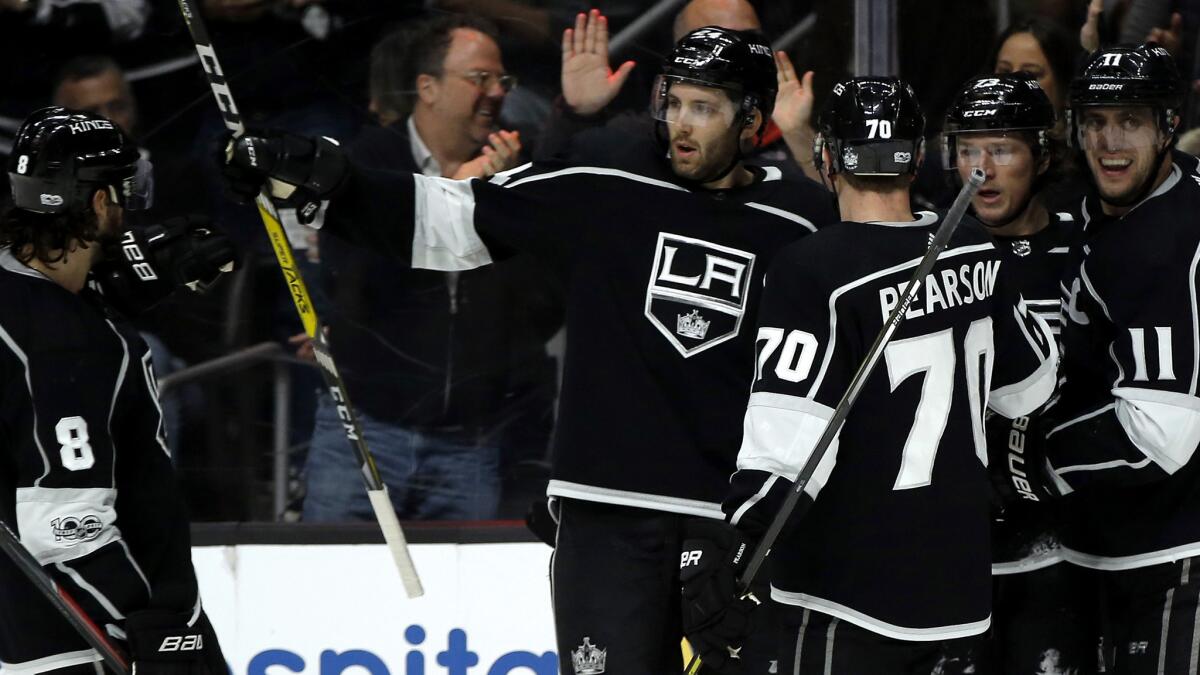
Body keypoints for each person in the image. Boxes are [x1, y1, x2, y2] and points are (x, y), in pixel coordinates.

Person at [219, 23, 836, 675]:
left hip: (728, 524)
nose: (681, 124)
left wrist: (763, 523)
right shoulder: (604, 183)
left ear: (751, 121)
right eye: (673, 102)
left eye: (704, 109)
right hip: (605, 521)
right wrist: (329, 181)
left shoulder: (798, 220)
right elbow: (448, 218)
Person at [682, 77, 1058, 673]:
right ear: (921, 157)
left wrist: (725, 549)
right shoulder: (971, 247)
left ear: (826, 158)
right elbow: (1032, 385)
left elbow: (787, 457)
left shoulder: (813, 270)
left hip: (847, 599)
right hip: (958, 594)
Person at [0, 107, 235, 673]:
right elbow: (65, 530)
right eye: (125, 189)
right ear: (100, 203)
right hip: (74, 645)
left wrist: (119, 285)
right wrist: (153, 625)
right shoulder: (71, 348)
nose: (132, 204)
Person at [303, 14, 561, 523]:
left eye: (501, 80)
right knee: (335, 581)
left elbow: (544, 305)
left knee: (459, 599)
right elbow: (354, 283)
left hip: (471, 443)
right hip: (364, 433)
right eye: (478, 78)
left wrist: (496, 206)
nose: (495, 92)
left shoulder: (518, 172)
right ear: (428, 87)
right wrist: (451, 198)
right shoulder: (369, 163)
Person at [1028, 43, 1200, 674]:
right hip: (1106, 546)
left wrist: (1035, 456)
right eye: (1096, 121)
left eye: (1130, 120)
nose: (1109, 140)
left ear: (1168, 126)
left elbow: (1160, 432)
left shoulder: (1168, 241)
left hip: (1174, 559)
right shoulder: (1100, 210)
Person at [943, 73, 1093, 675]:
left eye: (1001, 149)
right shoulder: (928, 255)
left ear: (1043, 155)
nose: (980, 170)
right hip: (949, 558)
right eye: (966, 150)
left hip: (1063, 557)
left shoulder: (1086, 249)